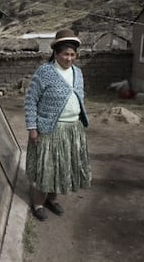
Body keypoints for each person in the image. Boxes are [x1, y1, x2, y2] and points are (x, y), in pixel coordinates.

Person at [24, 28, 91, 221]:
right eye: (65, 54)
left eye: (72, 54)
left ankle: (51, 200)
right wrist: (32, 128)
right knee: (46, 169)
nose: (69, 58)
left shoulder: (78, 73)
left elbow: (80, 96)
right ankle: (37, 203)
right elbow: (30, 100)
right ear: (56, 53)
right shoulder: (45, 72)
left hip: (72, 130)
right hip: (49, 130)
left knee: (62, 168)